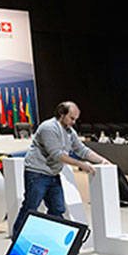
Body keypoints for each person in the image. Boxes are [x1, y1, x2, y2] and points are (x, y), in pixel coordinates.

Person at [13, 101, 110, 239]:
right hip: (37, 173)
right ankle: (17, 239)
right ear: (61, 114)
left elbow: (82, 150)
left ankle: (53, 240)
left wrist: (102, 160)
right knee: (31, 207)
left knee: (57, 208)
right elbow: (56, 154)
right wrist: (81, 164)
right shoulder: (48, 127)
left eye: (76, 119)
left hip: (53, 174)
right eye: (72, 118)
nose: (74, 122)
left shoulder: (70, 131)